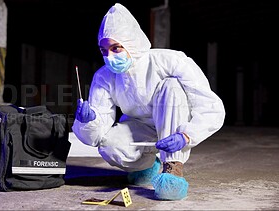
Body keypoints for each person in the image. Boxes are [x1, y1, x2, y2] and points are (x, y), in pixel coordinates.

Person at [72, 3, 225, 200]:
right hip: (139, 128)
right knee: (109, 145)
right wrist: (89, 120)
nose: (109, 57)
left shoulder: (172, 61)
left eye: (116, 48)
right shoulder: (104, 76)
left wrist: (187, 136)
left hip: (174, 124)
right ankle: (146, 165)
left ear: (131, 43)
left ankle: (172, 167)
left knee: (171, 86)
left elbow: (211, 107)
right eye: (104, 50)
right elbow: (97, 134)